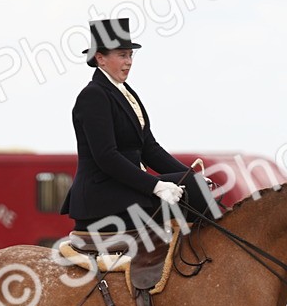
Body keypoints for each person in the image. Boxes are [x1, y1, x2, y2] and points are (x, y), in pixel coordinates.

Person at [60, 17, 215, 233]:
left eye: (131, 55)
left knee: (194, 186)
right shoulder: (93, 96)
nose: (129, 61)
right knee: (193, 192)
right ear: (100, 58)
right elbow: (106, 157)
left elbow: (149, 149)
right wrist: (156, 186)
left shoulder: (126, 92)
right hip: (103, 198)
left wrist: (191, 176)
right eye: (122, 55)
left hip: (126, 191)